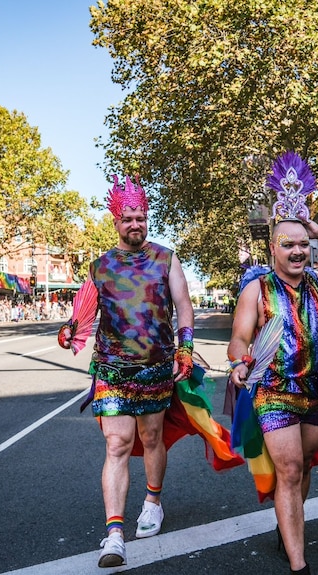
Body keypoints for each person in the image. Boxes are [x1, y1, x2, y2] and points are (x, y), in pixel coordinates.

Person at [228, 152, 318, 575]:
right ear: (272, 249)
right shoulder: (257, 288)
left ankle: (286, 520)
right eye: (287, 244)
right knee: (288, 469)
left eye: (302, 245)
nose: (297, 251)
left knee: (305, 465)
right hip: (273, 389)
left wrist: (316, 227)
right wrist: (240, 360)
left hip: (314, 389)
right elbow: (239, 337)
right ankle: (298, 564)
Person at [71, 175, 197, 568]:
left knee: (152, 436)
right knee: (117, 444)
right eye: (128, 218)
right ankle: (113, 534)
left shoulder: (166, 258)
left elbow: (183, 303)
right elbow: (84, 314)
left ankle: (153, 501)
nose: (135, 224)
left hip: (155, 368)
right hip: (111, 368)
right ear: (116, 222)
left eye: (140, 217)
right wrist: (69, 330)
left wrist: (186, 348)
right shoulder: (99, 266)